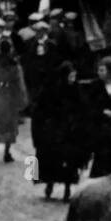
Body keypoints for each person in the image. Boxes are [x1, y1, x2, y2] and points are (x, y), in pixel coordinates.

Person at [32, 61, 88, 201]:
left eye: (74, 76)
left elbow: (83, 108)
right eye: (70, 76)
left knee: (69, 161)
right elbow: (41, 110)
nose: (72, 79)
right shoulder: (51, 90)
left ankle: (67, 188)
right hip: (54, 130)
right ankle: (50, 184)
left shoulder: (76, 89)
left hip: (70, 130)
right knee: (53, 159)